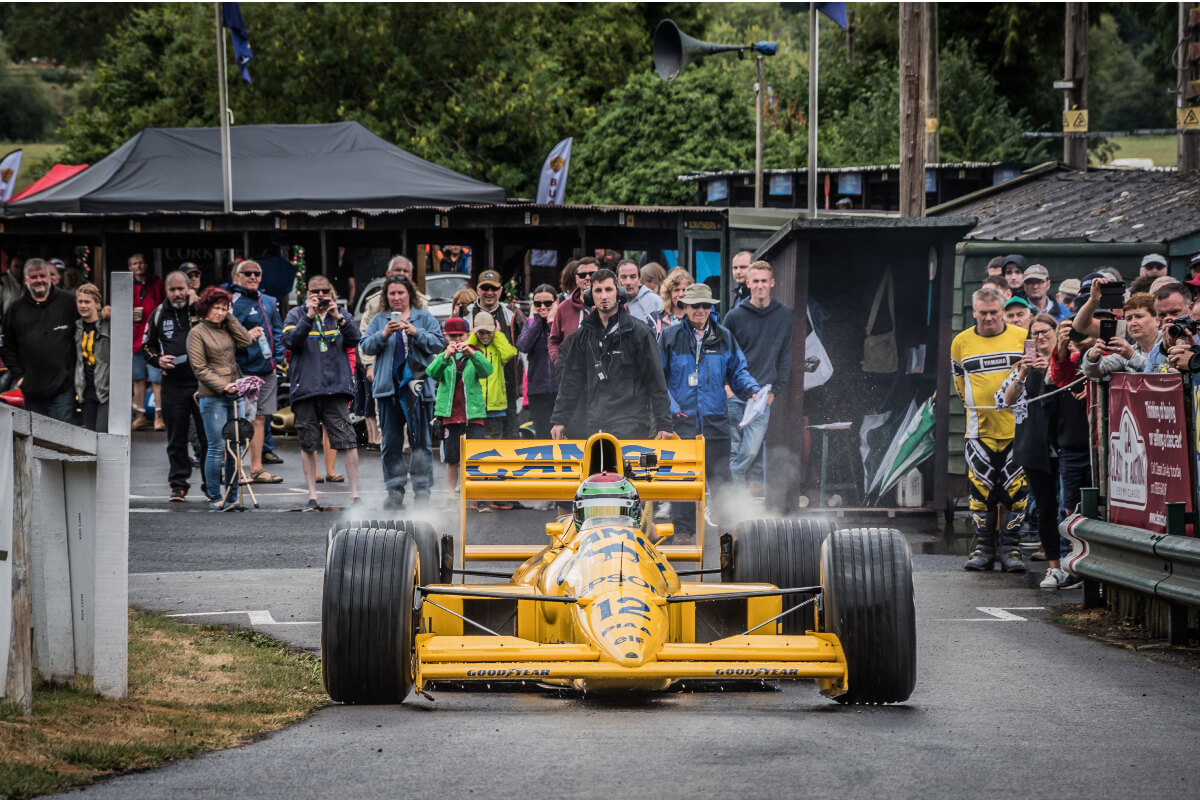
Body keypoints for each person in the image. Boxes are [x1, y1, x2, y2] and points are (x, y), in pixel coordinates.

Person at [660, 283, 759, 536]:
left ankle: (729, 535)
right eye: (695, 306)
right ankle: (683, 533)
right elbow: (658, 379)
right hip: (682, 421)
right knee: (682, 480)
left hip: (715, 420)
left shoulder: (724, 336)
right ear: (685, 307)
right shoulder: (669, 336)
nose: (701, 310)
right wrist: (673, 409)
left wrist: (752, 390)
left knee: (721, 479)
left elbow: (738, 371)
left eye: (706, 305)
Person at [994, 314, 1079, 590]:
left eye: (1044, 332)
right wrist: (1023, 373)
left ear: (1056, 333)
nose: (1040, 337)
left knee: (1072, 506)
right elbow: (1005, 401)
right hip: (1034, 446)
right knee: (1045, 508)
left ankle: (1075, 563)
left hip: (1066, 443)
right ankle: (1054, 567)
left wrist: (1050, 370)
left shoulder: (1067, 362)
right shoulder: (1023, 366)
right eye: (1035, 333)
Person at [950, 285, 1028, 573]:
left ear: (1002, 312)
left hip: (1016, 427)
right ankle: (983, 547)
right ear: (974, 313)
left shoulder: (1021, 337)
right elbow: (958, 380)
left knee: (1016, 491)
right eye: (983, 313)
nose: (989, 318)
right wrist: (973, 403)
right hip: (978, 428)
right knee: (981, 491)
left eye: (994, 312)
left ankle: (1012, 548)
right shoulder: (960, 342)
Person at [550, 268, 673, 441]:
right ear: (590, 296)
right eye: (598, 291)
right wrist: (559, 420)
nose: (604, 296)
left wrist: (664, 424)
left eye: (609, 289)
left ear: (619, 293)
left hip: (632, 425)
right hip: (596, 424)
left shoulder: (639, 333)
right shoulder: (583, 336)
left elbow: (656, 380)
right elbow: (570, 380)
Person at [360, 274, 443, 509]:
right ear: (386, 297)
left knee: (421, 443)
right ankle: (394, 491)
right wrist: (384, 334)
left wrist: (416, 332)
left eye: (401, 293)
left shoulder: (424, 317)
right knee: (391, 443)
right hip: (389, 389)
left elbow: (438, 343)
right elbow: (365, 345)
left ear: (410, 294)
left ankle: (422, 492)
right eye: (392, 293)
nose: (396, 297)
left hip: (417, 388)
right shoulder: (379, 320)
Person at [281, 275, 364, 510]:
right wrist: (309, 317)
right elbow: (291, 342)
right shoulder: (296, 315)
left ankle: (355, 495)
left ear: (332, 292)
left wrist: (339, 318)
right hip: (306, 387)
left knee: (347, 440)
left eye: (325, 291)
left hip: (335, 387)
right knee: (308, 442)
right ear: (307, 293)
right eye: (315, 291)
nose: (320, 295)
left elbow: (356, 339)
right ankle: (312, 495)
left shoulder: (340, 314)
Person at [723, 260, 793, 493]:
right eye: (756, 281)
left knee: (751, 450)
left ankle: (731, 493)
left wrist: (774, 392)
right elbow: (722, 354)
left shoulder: (784, 316)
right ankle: (737, 506)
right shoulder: (734, 316)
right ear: (748, 283)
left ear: (772, 283)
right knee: (734, 449)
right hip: (734, 393)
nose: (760, 285)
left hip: (762, 396)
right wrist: (727, 388)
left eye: (765, 281)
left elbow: (785, 356)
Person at [186, 287, 255, 512]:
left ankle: (232, 496)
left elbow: (245, 340)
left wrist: (230, 317)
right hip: (213, 395)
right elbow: (199, 368)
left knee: (236, 446)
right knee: (216, 447)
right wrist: (223, 385)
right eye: (216, 307)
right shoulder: (197, 332)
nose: (220, 312)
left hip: (236, 392)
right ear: (206, 308)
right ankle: (215, 497)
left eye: (224, 308)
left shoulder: (227, 325)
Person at [144, 270, 208, 502]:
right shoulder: (159, 313)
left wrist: (197, 306)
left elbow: (220, 332)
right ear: (166, 291)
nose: (178, 293)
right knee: (176, 438)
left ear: (189, 287)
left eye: (181, 288)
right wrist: (157, 360)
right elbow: (146, 346)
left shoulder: (201, 309)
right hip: (173, 384)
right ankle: (178, 485)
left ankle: (211, 485)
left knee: (207, 438)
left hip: (202, 383)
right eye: (173, 290)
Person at [0, 258, 79, 422]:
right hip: (32, 389)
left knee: (63, 441)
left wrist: (105, 311)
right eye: (34, 277)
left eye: (43, 276)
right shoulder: (15, 309)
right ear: (26, 279)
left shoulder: (69, 302)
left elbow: (90, 322)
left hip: (63, 387)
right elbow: (6, 347)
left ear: (50, 277)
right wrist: (20, 376)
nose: (39, 280)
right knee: (36, 442)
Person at [228, 260, 285, 485]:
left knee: (260, 419)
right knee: (241, 420)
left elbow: (277, 331)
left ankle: (257, 469)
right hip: (244, 370)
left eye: (257, 274)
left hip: (267, 370)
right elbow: (225, 337)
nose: (252, 277)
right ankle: (235, 469)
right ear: (238, 277)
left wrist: (278, 358)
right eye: (247, 273)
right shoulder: (233, 303)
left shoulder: (269, 301)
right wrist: (246, 336)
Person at [427, 316, 492, 496]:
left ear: (467, 334)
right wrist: (446, 356)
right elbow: (431, 373)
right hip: (450, 415)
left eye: (460, 335)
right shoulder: (443, 357)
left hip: (473, 415)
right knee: (452, 458)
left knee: (475, 458)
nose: (457, 340)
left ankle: (475, 494)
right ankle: (450, 494)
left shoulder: (475, 354)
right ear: (445, 336)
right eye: (452, 336)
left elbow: (487, 371)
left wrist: (473, 354)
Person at [465, 268, 526, 437]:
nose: (489, 293)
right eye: (485, 288)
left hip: (507, 391)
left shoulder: (512, 314)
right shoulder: (465, 314)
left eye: (494, 288)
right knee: (474, 447)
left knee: (509, 443)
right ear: (478, 290)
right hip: (471, 394)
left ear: (501, 290)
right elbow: (452, 348)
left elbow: (525, 348)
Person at [1080, 292, 1164, 376]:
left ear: (1157, 320)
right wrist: (1092, 357)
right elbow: (1094, 372)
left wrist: (1132, 356)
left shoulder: (1169, 345)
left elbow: (1163, 375)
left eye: (1139, 316)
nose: (1133, 323)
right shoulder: (1126, 351)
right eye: (1129, 318)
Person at [129, 253, 165, 431]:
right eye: (134, 264)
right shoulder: (127, 286)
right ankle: (140, 415)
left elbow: (164, 306)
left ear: (146, 265)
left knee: (156, 379)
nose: (138, 266)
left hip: (153, 340)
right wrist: (130, 313)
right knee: (137, 379)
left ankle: (159, 415)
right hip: (134, 341)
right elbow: (119, 310)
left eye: (141, 263)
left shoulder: (157, 284)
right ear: (130, 268)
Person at [516, 283, 558, 438]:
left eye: (547, 303)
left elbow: (564, 346)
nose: (543, 307)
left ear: (556, 303)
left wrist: (551, 322)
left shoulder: (561, 323)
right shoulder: (531, 324)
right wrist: (538, 321)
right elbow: (523, 346)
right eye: (538, 303)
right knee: (543, 437)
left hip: (561, 391)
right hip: (538, 392)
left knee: (564, 437)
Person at [73, 283, 110, 432]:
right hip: (85, 388)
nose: (83, 305)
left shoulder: (108, 323)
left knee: (103, 434)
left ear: (97, 304)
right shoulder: (77, 326)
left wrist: (112, 309)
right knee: (90, 435)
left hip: (105, 389)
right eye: (80, 301)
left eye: (87, 302)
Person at [549, 257, 597, 364]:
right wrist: (560, 363)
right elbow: (554, 341)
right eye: (582, 275)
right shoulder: (563, 308)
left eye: (592, 274)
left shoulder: (615, 307)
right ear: (576, 279)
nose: (588, 278)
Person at [617, 259, 659, 326]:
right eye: (623, 277)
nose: (628, 282)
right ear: (617, 280)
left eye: (632, 277)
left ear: (639, 279)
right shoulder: (610, 303)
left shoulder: (655, 301)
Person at [653, 267, 693, 334]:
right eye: (676, 290)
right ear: (668, 293)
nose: (681, 294)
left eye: (685, 290)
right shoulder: (656, 318)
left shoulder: (696, 317)